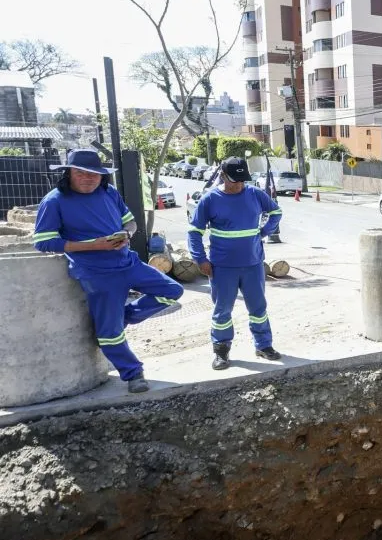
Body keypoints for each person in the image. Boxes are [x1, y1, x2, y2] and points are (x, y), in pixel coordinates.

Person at [32, 149, 184, 393]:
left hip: (128, 263)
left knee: (172, 290)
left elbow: (131, 222)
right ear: (69, 173)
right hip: (96, 274)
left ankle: (126, 316)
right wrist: (92, 246)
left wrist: (127, 234)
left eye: (94, 174)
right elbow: (43, 242)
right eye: (81, 173)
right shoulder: (54, 201)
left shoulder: (109, 192)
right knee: (109, 335)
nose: (88, 178)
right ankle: (133, 373)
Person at [188, 157, 284, 369]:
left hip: (253, 264)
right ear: (222, 175)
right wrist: (200, 259)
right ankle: (221, 351)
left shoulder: (255, 194)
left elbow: (276, 212)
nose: (239, 184)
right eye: (234, 180)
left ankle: (263, 345)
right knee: (222, 311)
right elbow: (194, 232)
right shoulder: (210, 199)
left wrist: (265, 231)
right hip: (222, 267)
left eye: (242, 180)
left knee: (258, 308)